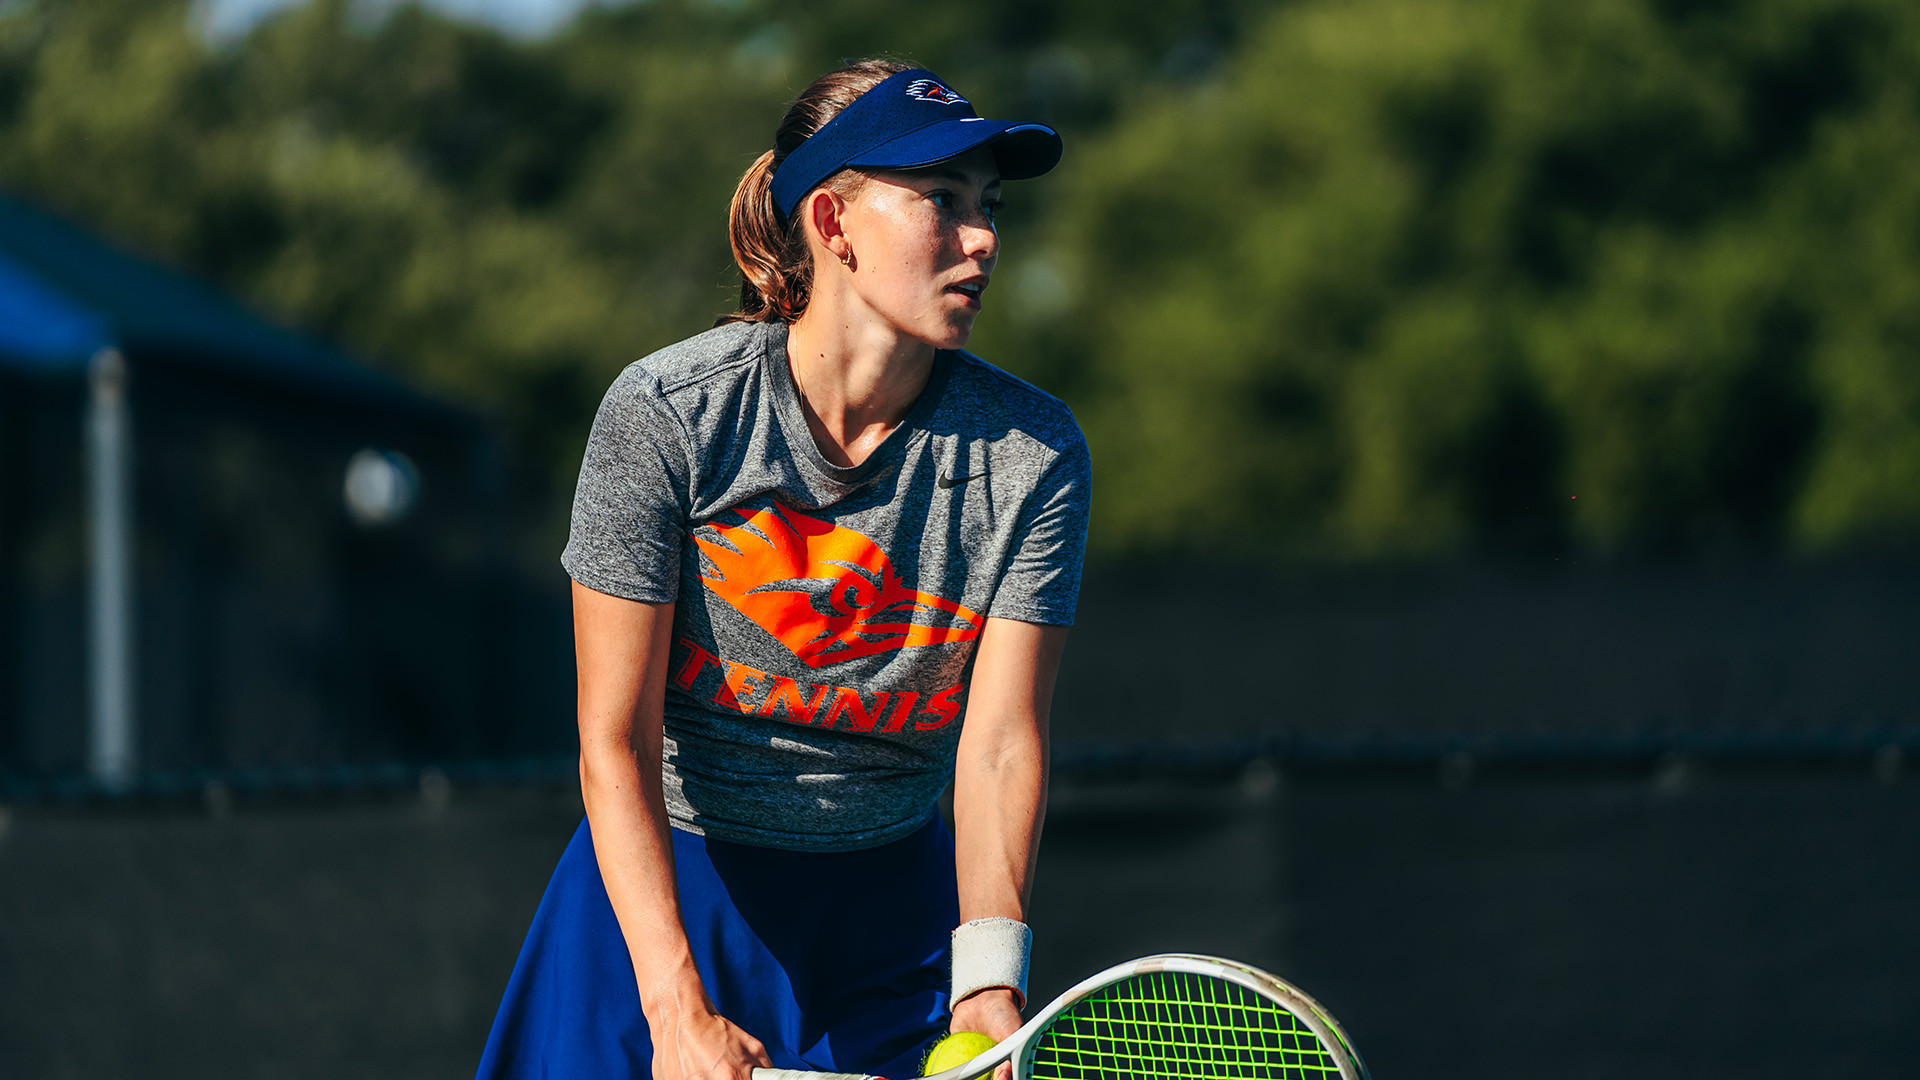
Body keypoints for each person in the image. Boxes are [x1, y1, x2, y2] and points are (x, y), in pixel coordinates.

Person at [475, 58, 1089, 1080]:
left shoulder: (1034, 452)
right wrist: (672, 1004)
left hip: (888, 932)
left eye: (987, 205)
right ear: (831, 224)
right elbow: (611, 740)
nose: (981, 237)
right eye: (940, 200)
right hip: (658, 909)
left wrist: (987, 982)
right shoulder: (668, 414)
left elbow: (997, 745)